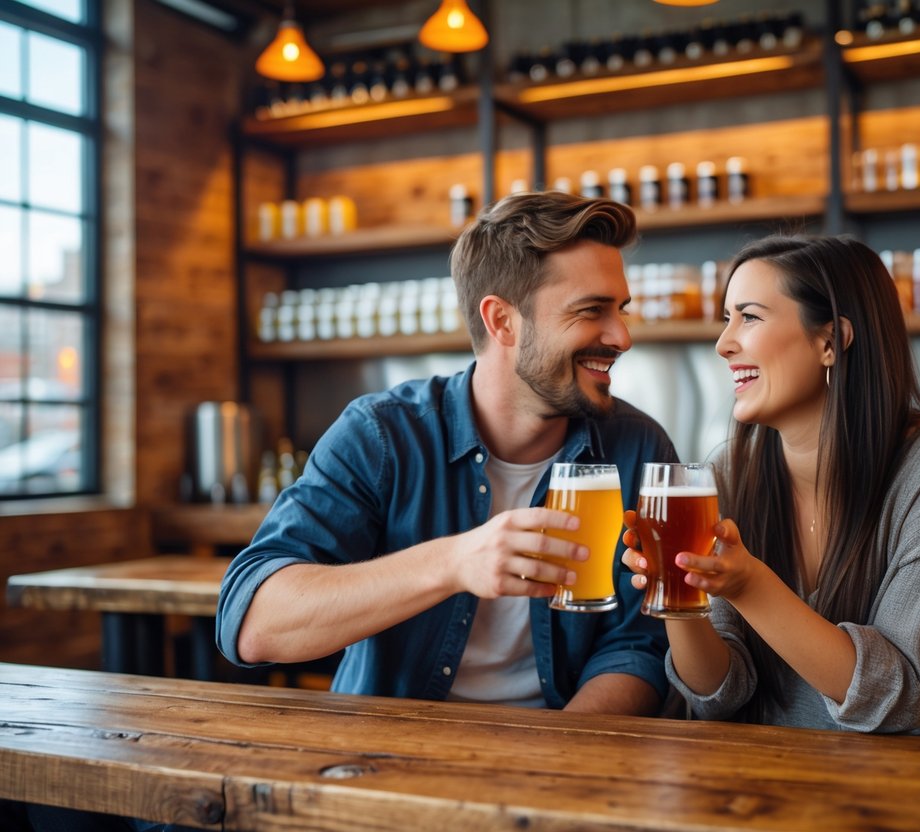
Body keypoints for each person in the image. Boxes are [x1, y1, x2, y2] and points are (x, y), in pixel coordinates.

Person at [217, 191, 677, 715]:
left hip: (566, 754)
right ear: (502, 321)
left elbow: (639, 644)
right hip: (392, 755)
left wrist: (557, 755)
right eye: (592, 310)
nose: (622, 335)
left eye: (620, 310)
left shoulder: (638, 445)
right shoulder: (382, 435)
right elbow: (254, 624)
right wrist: (453, 562)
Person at [622, 235, 920, 738]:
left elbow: (899, 697)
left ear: (830, 342)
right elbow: (719, 694)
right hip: (774, 782)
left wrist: (748, 585)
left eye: (749, 317)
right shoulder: (730, 471)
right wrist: (680, 595)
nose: (723, 343)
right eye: (726, 318)